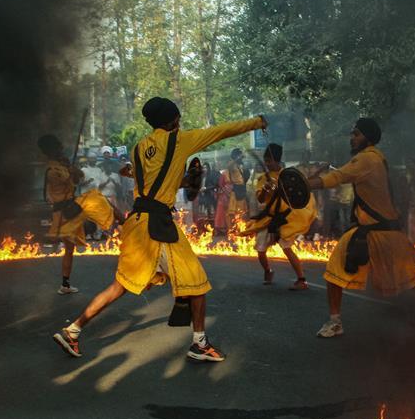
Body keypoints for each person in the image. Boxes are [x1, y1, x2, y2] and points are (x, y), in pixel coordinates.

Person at [52, 97, 266, 361]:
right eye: (179, 118)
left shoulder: (139, 148)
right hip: (159, 227)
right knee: (197, 283)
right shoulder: (180, 141)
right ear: (173, 120)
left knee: (120, 285)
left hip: (138, 222)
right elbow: (222, 130)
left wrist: (187, 179)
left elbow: (156, 182)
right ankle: (199, 343)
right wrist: (257, 122)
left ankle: (72, 330)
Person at [306, 118, 415, 337]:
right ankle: (335, 322)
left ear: (368, 138)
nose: (352, 139)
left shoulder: (367, 159)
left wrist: (306, 183)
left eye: (356, 134)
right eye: (352, 134)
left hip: (381, 233)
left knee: (410, 282)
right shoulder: (375, 158)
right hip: (377, 231)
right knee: (334, 271)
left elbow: (337, 177)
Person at [40, 134, 120, 294]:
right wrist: (69, 169)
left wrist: (72, 169)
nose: (62, 151)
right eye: (59, 149)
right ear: (52, 151)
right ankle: (122, 223)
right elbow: (64, 180)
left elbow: (78, 179)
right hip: (64, 212)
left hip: (72, 206)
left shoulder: (62, 166)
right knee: (97, 199)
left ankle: (65, 285)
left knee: (70, 249)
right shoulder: (52, 170)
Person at [240, 144, 316, 289]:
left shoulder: (288, 176)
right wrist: (266, 190)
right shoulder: (262, 179)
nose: (267, 164)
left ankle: (302, 280)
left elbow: (297, 195)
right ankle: (268, 271)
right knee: (260, 250)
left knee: (287, 248)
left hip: (285, 218)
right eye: (266, 160)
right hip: (268, 218)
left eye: (270, 161)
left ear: (277, 161)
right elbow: (261, 199)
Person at [226, 148, 248, 225]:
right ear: (234, 156)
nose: (240, 157)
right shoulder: (231, 165)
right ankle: (233, 228)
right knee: (233, 211)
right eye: (238, 155)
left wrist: (242, 155)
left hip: (242, 188)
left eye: (240, 155)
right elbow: (229, 165)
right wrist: (237, 158)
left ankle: (241, 225)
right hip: (235, 189)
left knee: (242, 210)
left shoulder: (241, 164)